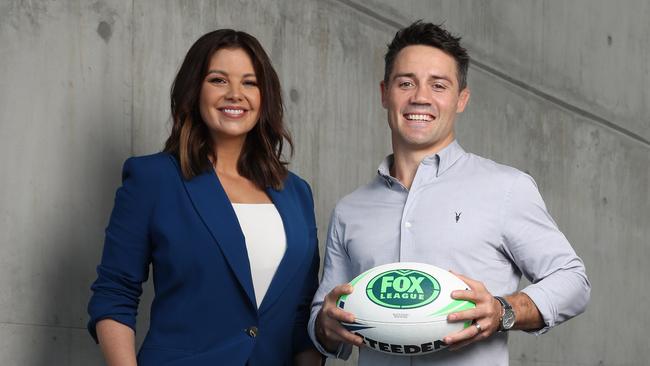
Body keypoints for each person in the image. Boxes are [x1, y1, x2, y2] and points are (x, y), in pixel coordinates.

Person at [309, 21, 591, 365]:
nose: (420, 97)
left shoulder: (506, 188)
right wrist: (323, 324)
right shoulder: (350, 209)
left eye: (438, 85)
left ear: (461, 99)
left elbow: (573, 280)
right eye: (405, 83)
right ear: (385, 93)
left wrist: (504, 310)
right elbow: (323, 316)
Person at [87, 29, 322, 366]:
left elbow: (302, 313)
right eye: (218, 80)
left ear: (264, 96)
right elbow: (115, 295)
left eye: (249, 83)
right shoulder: (153, 180)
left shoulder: (297, 193)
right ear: (194, 89)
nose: (235, 94)